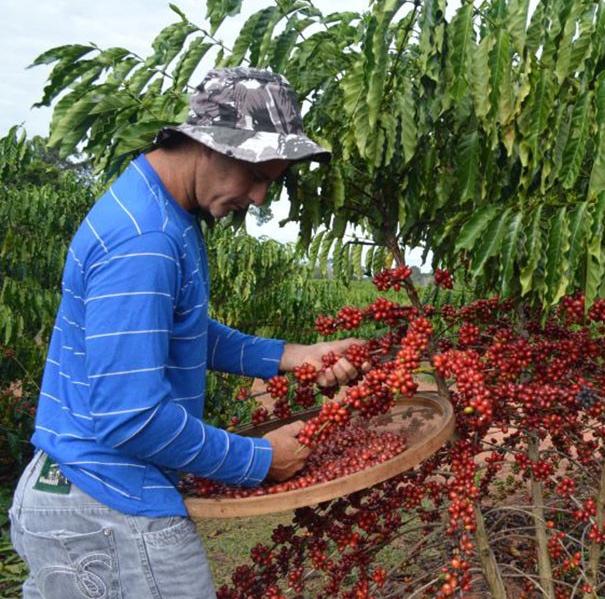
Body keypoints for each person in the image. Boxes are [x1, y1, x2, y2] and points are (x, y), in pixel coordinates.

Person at [8, 67, 362, 599]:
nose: (261, 197)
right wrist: (259, 460)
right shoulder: (145, 239)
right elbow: (132, 418)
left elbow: (181, 331)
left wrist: (294, 356)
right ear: (211, 145)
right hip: (108, 507)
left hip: (86, 491)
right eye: (257, 175)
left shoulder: (161, 211)